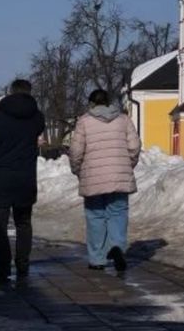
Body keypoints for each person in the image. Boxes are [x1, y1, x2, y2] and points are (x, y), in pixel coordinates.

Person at [69, 89, 140, 273]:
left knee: (95, 217)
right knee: (117, 213)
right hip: (119, 176)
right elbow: (134, 146)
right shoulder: (123, 119)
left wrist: (78, 170)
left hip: (93, 177)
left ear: (91, 103)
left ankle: (97, 259)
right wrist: (127, 165)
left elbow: (76, 152)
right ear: (108, 102)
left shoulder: (84, 121)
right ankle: (116, 246)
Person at [0, 78, 46, 284]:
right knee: (24, 223)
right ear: (29, 92)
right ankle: (22, 264)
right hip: (25, 177)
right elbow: (38, 131)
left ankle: (3, 267)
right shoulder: (37, 117)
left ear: (10, 92)